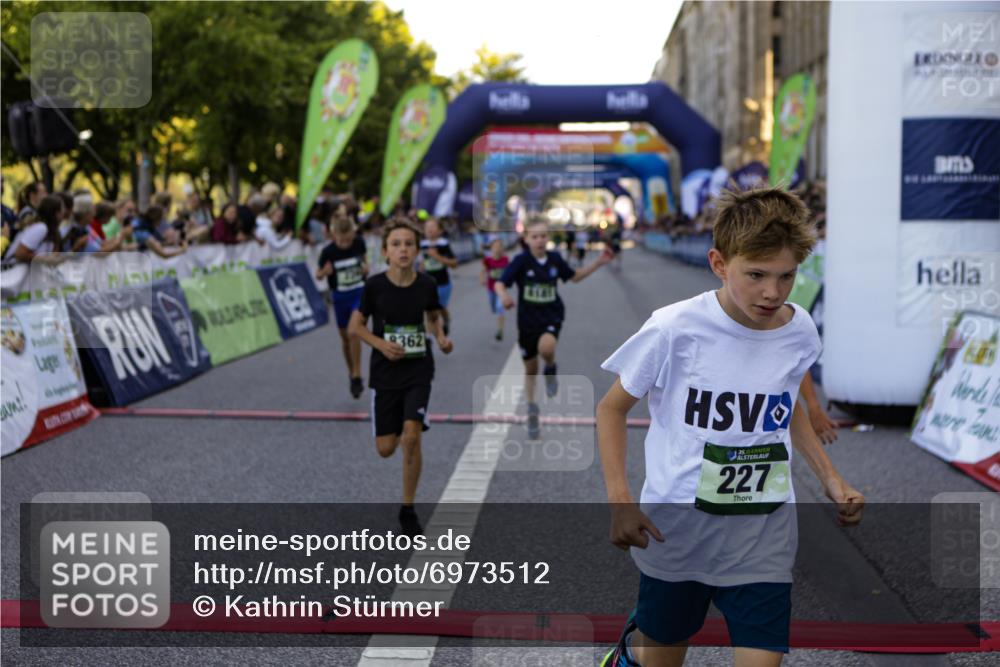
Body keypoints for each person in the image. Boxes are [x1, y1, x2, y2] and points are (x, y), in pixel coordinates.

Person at [596, 187, 865, 667]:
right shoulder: (674, 328)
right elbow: (611, 409)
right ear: (720, 263)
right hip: (677, 529)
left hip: (764, 531)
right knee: (661, 656)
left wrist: (830, 477)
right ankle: (631, 655)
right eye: (756, 275)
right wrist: (621, 502)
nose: (772, 292)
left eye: (787, 277)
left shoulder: (799, 328)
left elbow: (786, 405)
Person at [348, 219, 453, 536]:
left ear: (417, 250)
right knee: (386, 448)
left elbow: (433, 316)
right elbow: (356, 327)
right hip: (385, 373)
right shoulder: (375, 286)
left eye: (409, 243)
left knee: (411, 436)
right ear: (385, 252)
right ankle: (399, 437)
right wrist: (381, 345)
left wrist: (442, 336)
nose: (403, 249)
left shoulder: (426, 284)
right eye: (396, 244)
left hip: (419, 368)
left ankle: (408, 509)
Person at [494, 217, 612, 440]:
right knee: (530, 369)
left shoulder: (555, 259)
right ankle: (532, 408)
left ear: (548, 237)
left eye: (543, 236)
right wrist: (504, 296)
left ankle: (550, 366)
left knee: (547, 347)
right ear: (526, 239)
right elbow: (501, 283)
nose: (539, 240)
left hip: (551, 315)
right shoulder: (521, 261)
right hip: (527, 322)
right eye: (535, 236)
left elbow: (574, 277)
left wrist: (598, 263)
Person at [317, 215, 368, 399]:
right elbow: (318, 275)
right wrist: (325, 272)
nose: (346, 244)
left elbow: (364, 261)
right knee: (346, 340)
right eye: (341, 240)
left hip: (359, 293)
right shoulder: (328, 252)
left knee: (354, 332)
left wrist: (365, 268)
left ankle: (357, 374)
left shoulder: (359, 243)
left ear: (354, 234)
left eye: (349, 240)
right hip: (339, 297)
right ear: (333, 235)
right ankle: (352, 373)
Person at [419, 217, 459, 335]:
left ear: (440, 230)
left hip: (443, 283)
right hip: (427, 283)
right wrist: (421, 268)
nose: (429, 229)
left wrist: (437, 257)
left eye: (433, 227)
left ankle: (446, 319)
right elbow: (423, 261)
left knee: (440, 307)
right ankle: (430, 337)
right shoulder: (423, 245)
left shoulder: (444, 244)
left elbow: (454, 264)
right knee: (429, 310)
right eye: (427, 227)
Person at [4, 195, 62, 264]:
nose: (62, 214)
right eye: (61, 210)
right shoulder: (41, 228)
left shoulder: (50, 230)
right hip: (15, 271)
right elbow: (20, 253)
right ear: (55, 213)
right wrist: (47, 259)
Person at [480, 237, 509, 341]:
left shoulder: (505, 259)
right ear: (491, 248)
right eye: (495, 246)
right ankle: (495, 311)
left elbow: (509, 272)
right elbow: (483, 271)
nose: (498, 249)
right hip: (491, 288)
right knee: (493, 307)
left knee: (500, 308)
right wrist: (482, 279)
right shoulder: (488, 260)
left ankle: (500, 330)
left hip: (501, 289)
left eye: (500, 246)